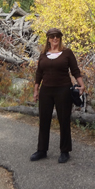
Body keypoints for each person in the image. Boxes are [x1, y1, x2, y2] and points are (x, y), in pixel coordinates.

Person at [30, 28, 85, 164]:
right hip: (46, 91)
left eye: (57, 36)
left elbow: (75, 70)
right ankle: (42, 150)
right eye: (52, 36)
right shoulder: (43, 54)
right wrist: (36, 90)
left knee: (64, 120)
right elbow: (39, 73)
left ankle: (65, 151)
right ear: (48, 38)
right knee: (44, 120)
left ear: (60, 38)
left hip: (63, 90)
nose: (55, 38)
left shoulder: (67, 53)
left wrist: (82, 85)